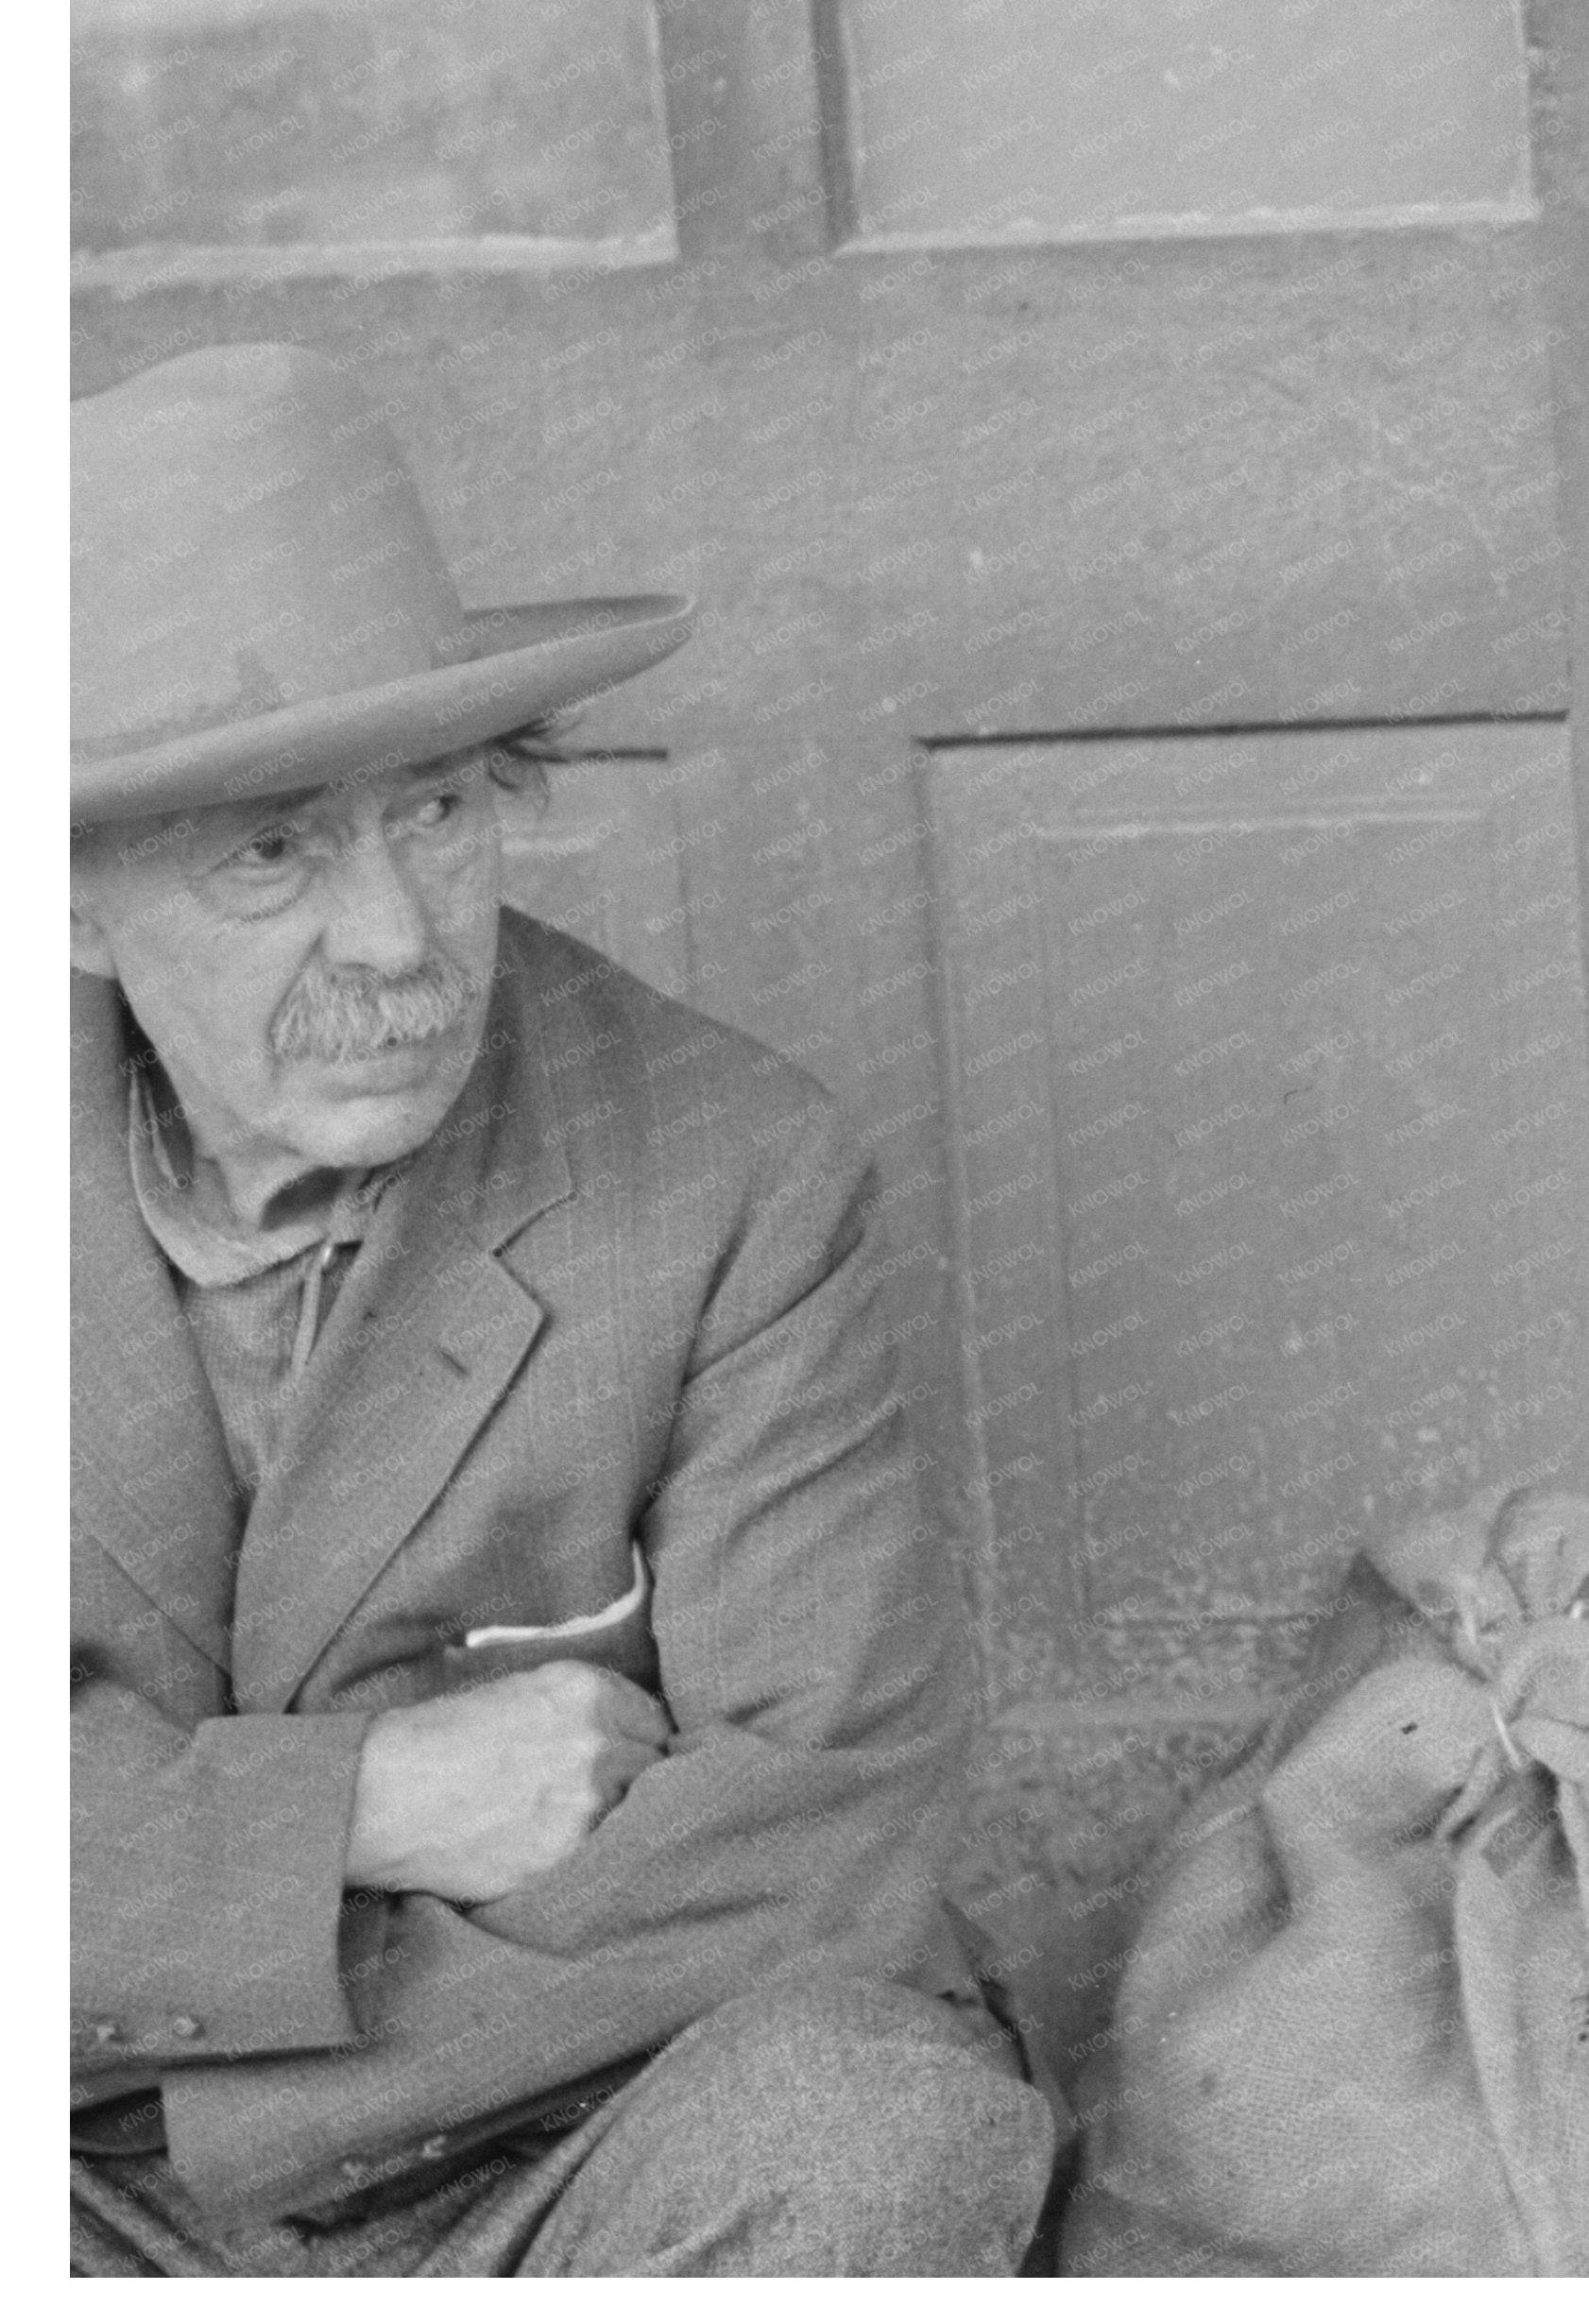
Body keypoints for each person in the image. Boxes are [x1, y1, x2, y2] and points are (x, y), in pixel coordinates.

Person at [70, 344, 1056, 2275]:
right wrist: (359, 1804)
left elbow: (821, 1820)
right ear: (73, 907)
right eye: (271, 849)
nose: (395, 937)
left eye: (436, 812)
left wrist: (223, 2067)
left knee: (886, 2137)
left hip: (573, 2113)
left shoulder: (731, 1171)